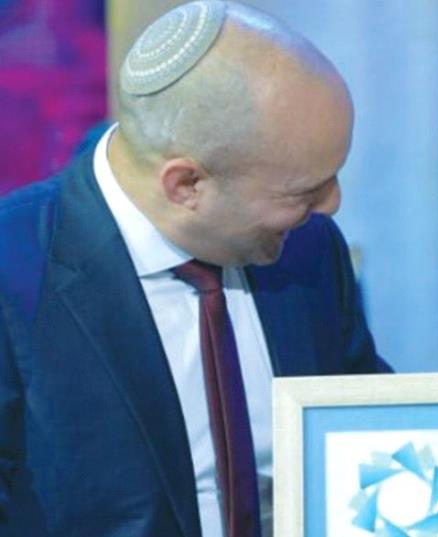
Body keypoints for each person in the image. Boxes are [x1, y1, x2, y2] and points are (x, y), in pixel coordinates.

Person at [0, 1, 389, 536]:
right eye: (304, 189)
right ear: (186, 185)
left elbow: (369, 444)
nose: (331, 205)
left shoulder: (309, 248)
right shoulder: (12, 274)